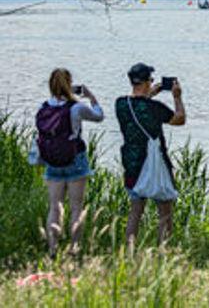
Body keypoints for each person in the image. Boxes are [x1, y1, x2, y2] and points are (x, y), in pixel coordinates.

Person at [114, 63, 185, 245]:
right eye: (151, 80)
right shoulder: (155, 108)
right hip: (155, 165)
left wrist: (150, 93)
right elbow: (179, 119)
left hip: (132, 164)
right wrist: (177, 97)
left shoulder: (120, 104)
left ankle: (128, 253)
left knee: (136, 211)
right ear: (146, 82)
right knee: (165, 212)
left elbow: (139, 105)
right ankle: (163, 252)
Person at [38, 68, 104, 257]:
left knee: (54, 207)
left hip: (52, 161)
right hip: (75, 160)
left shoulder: (44, 107)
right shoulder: (76, 107)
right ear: (69, 85)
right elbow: (99, 116)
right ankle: (74, 250)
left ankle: (53, 250)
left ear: (51, 85)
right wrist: (91, 97)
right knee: (76, 207)